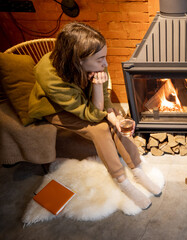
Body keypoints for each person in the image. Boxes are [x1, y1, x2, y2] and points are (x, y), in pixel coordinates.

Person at [28, 22, 161, 210]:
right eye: (100, 59)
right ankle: (123, 183)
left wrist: (113, 116)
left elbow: (103, 102)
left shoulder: (97, 65)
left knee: (115, 119)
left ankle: (137, 170)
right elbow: (91, 115)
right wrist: (98, 88)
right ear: (78, 60)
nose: (105, 64)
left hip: (86, 103)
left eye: (104, 57)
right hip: (57, 109)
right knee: (100, 128)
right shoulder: (51, 77)